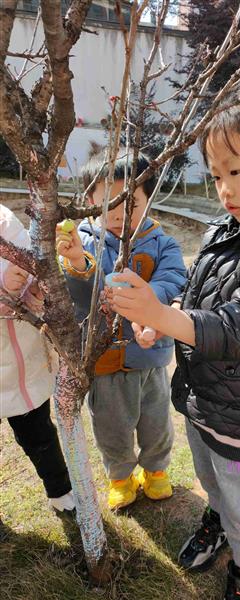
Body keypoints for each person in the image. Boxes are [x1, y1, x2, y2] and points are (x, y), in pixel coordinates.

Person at [110, 83, 240, 599]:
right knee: (212, 479)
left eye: (236, 172)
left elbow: (237, 329)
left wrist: (162, 314)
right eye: (216, 176)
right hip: (203, 397)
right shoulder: (226, 228)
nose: (224, 189)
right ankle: (216, 517)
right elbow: (198, 296)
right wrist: (164, 320)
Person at [55, 147, 186, 510]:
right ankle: (120, 477)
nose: (118, 214)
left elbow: (174, 278)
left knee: (156, 423)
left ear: (149, 200)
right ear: (90, 200)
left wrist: (148, 306)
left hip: (150, 356)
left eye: (132, 203)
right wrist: (78, 261)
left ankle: (156, 471)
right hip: (105, 360)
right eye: (108, 203)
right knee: (111, 427)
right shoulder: (85, 242)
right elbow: (81, 294)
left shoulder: (161, 242)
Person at [0, 204, 75, 514]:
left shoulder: (4, 219)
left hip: (22, 362)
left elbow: (31, 266)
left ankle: (61, 491)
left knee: (39, 433)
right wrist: (4, 286)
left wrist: (34, 289)